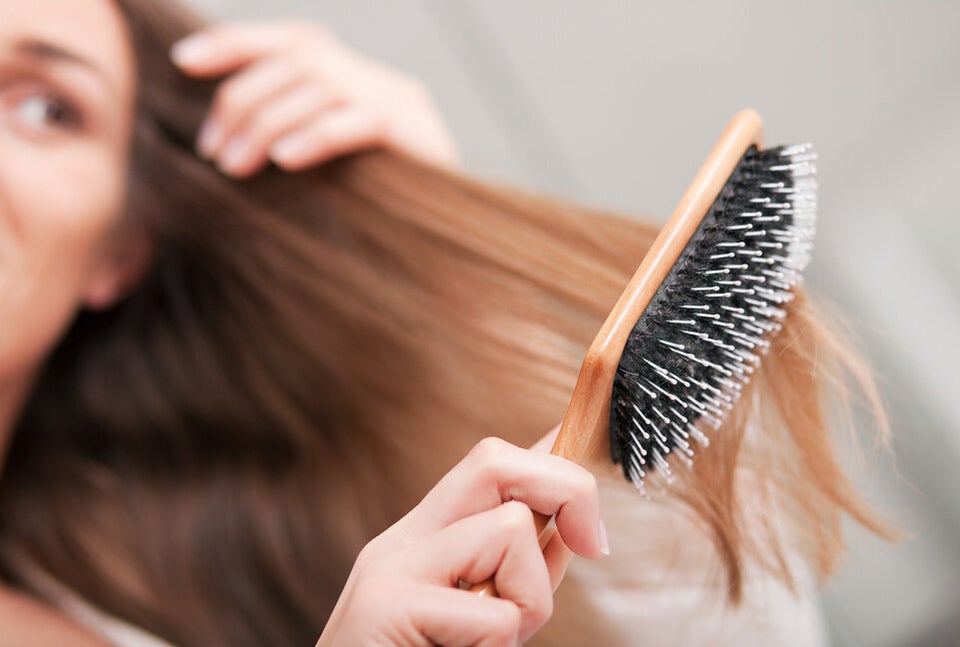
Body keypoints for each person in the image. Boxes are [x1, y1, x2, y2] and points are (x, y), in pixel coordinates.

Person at [0, 1, 894, 645]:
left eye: (46, 107)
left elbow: (747, 625)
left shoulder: (177, 578)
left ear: (117, 252)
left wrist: (454, 286)